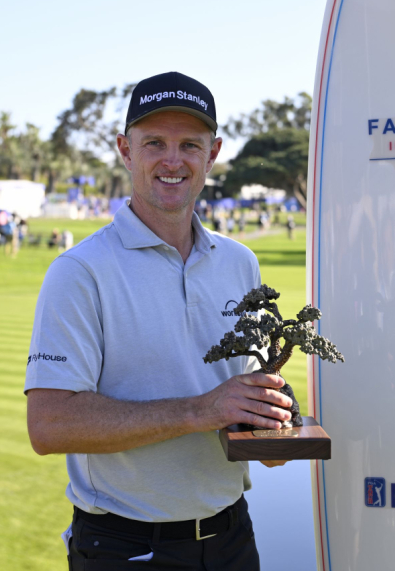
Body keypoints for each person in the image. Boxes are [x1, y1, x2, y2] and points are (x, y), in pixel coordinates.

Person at [26, 72, 289, 570]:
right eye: (154, 143)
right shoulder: (80, 271)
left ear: (212, 155)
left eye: (190, 144)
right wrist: (199, 410)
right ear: (126, 151)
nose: (173, 160)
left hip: (232, 536)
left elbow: (238, 397)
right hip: (127, 547)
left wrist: (269, 421)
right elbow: (49, 424)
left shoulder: (240, 262)